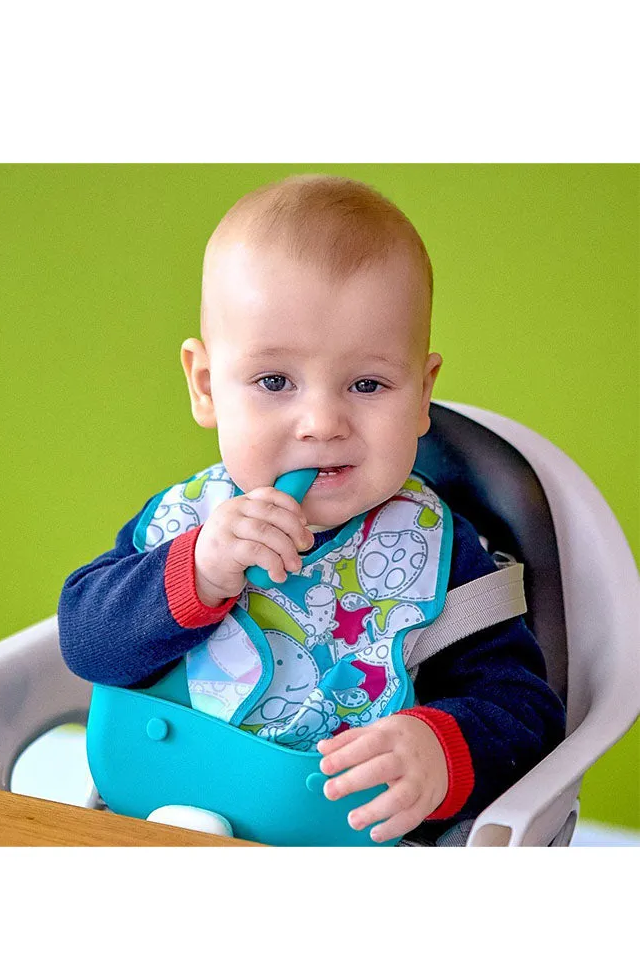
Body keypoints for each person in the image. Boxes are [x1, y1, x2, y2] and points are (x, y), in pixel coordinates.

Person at [59, 174, 566, 845]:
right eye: (274, 381)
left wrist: (438, 749)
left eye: (367, 383)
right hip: (151, 814)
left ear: (421, 393)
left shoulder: (437, 555)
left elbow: (526, 713)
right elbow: (85, 643)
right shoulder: (187, 522)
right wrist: (200, 572)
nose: (322, 422)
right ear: (207, 386)